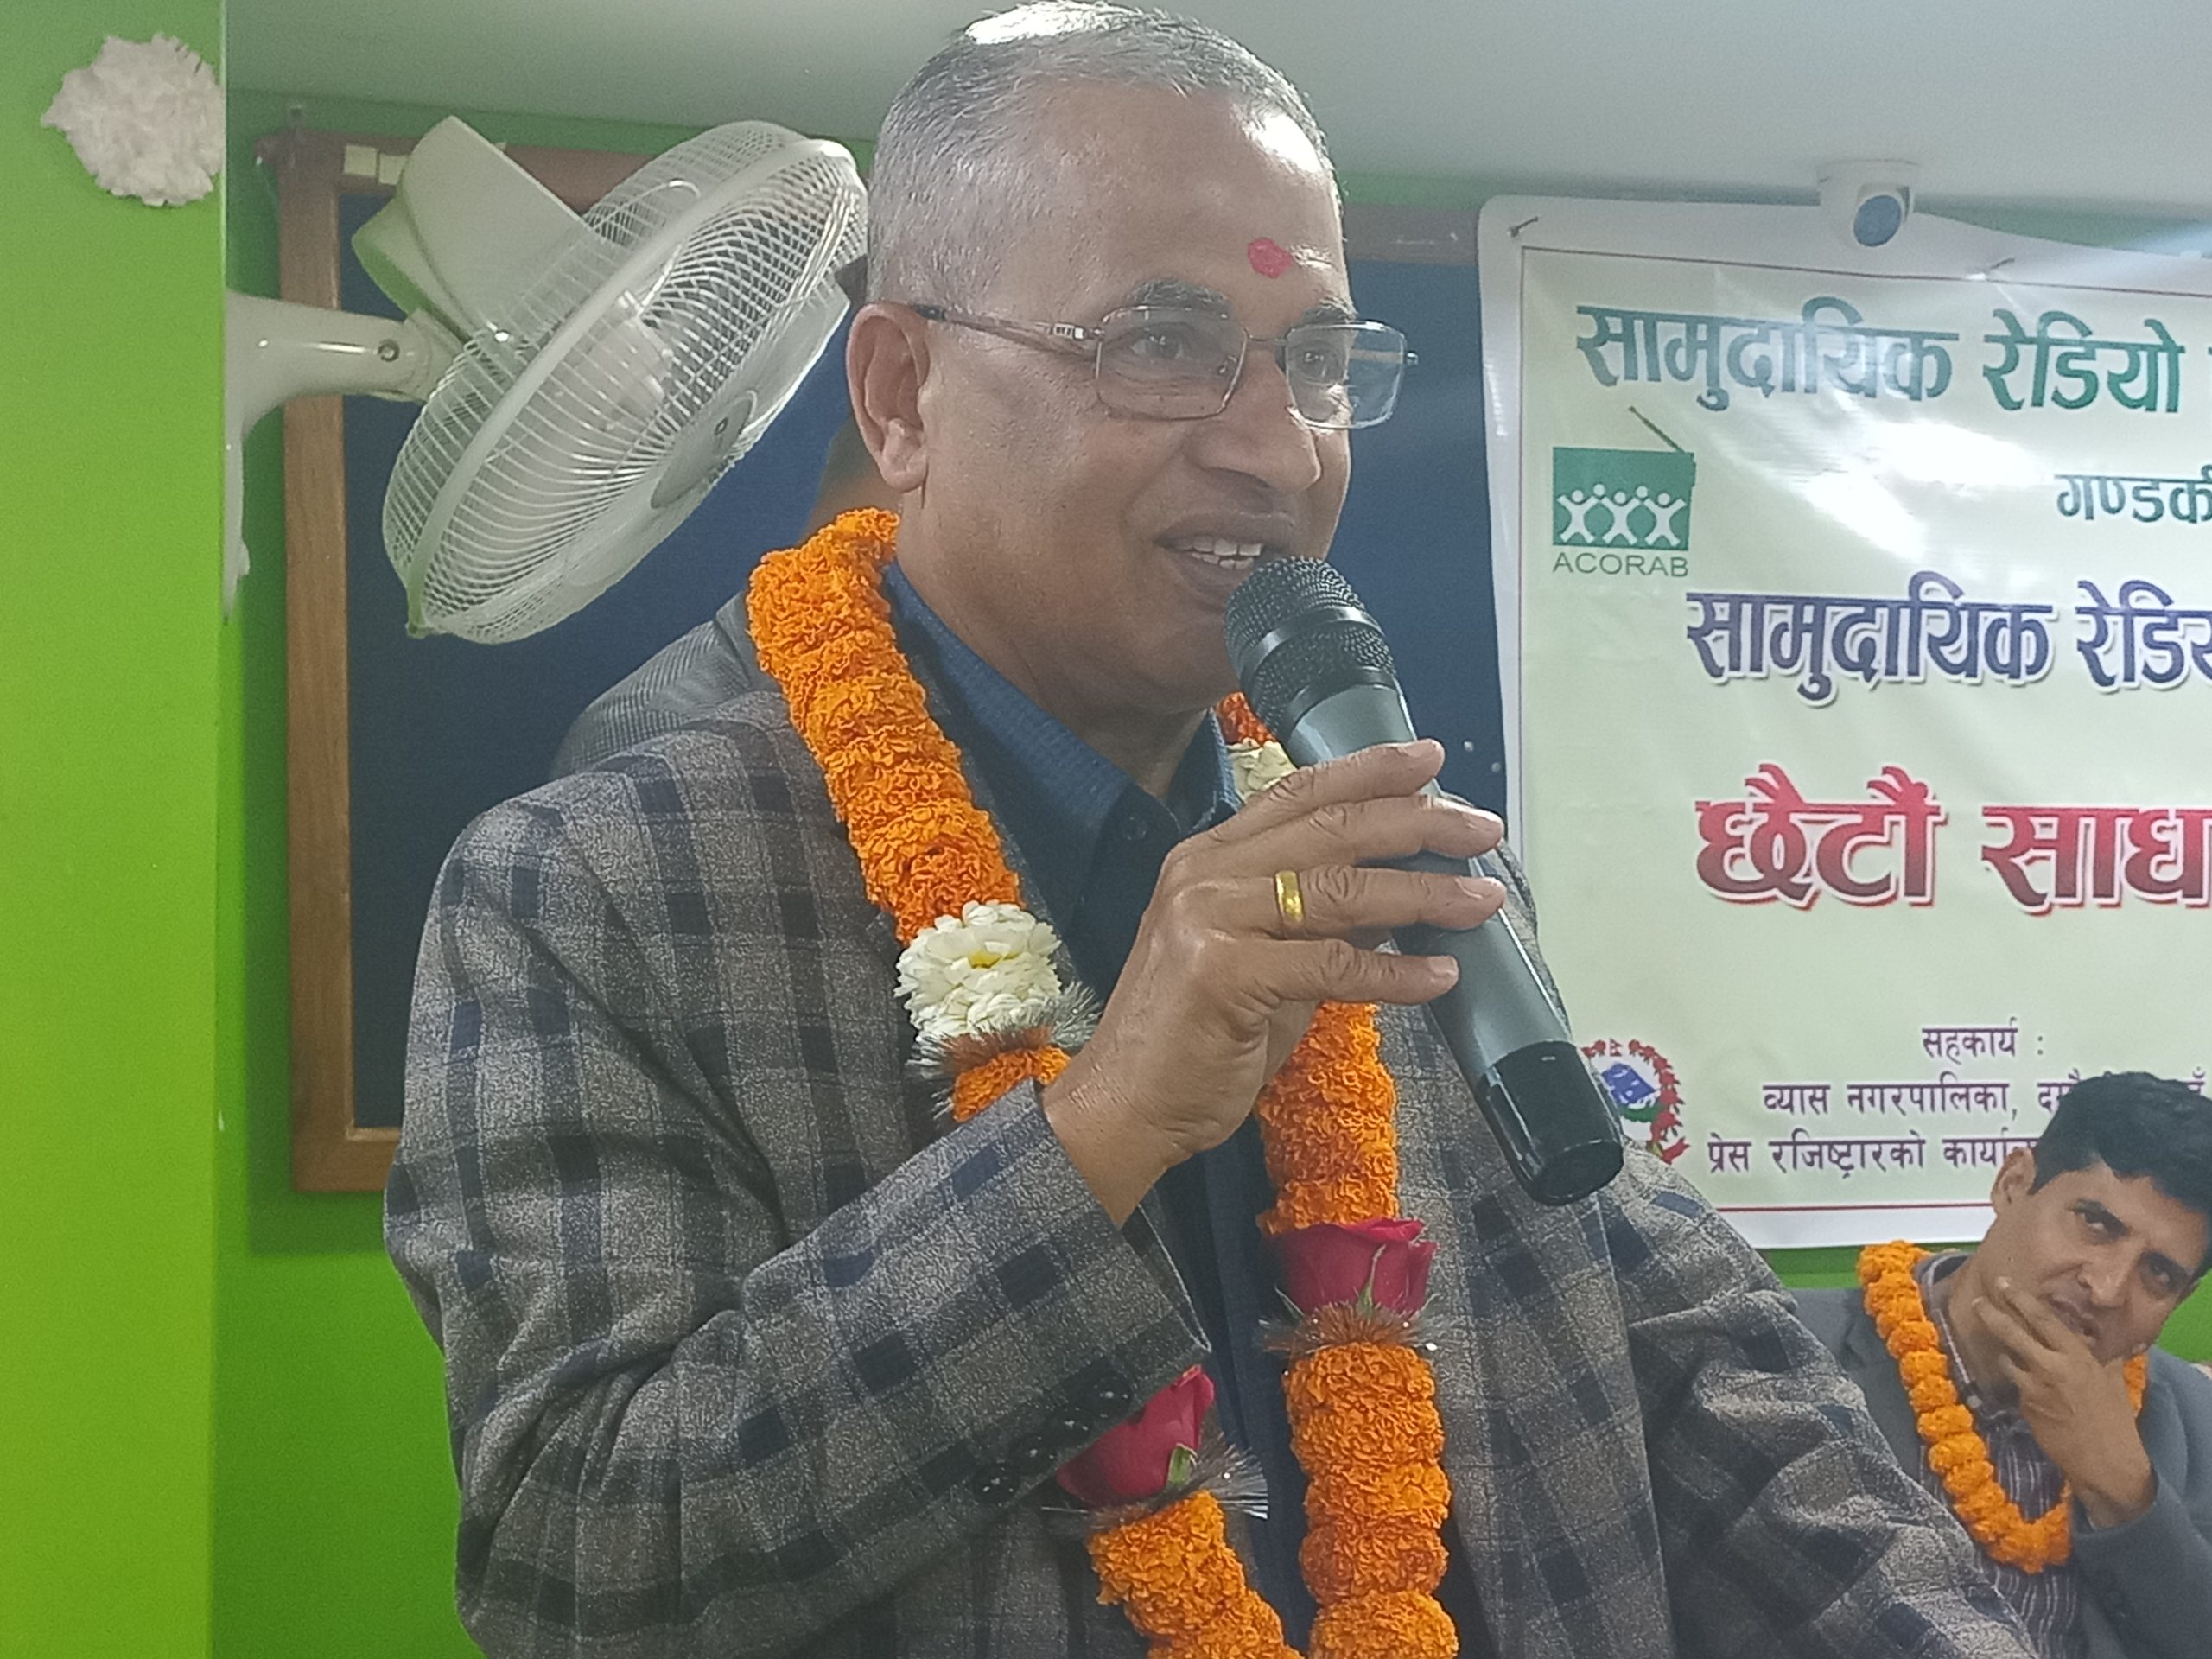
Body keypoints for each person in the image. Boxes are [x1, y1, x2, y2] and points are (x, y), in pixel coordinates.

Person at [388, 8, 2038, 1656]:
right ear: (902, 394)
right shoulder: (591, 893)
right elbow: (575, 1562)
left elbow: (1685, 1357)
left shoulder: (1383, 840)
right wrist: (1094, 1134)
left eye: (1316, 362)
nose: (1279, 447)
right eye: (1161, 343)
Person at [1796, 1073, 2212, 1659]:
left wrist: (2125, 1493)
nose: (2107, 1288)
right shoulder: (1793, 1354)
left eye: (2159, 1273)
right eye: (2096, 1223)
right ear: (2014, 1185)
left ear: (2182, 1298)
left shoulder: (2195, 1422)